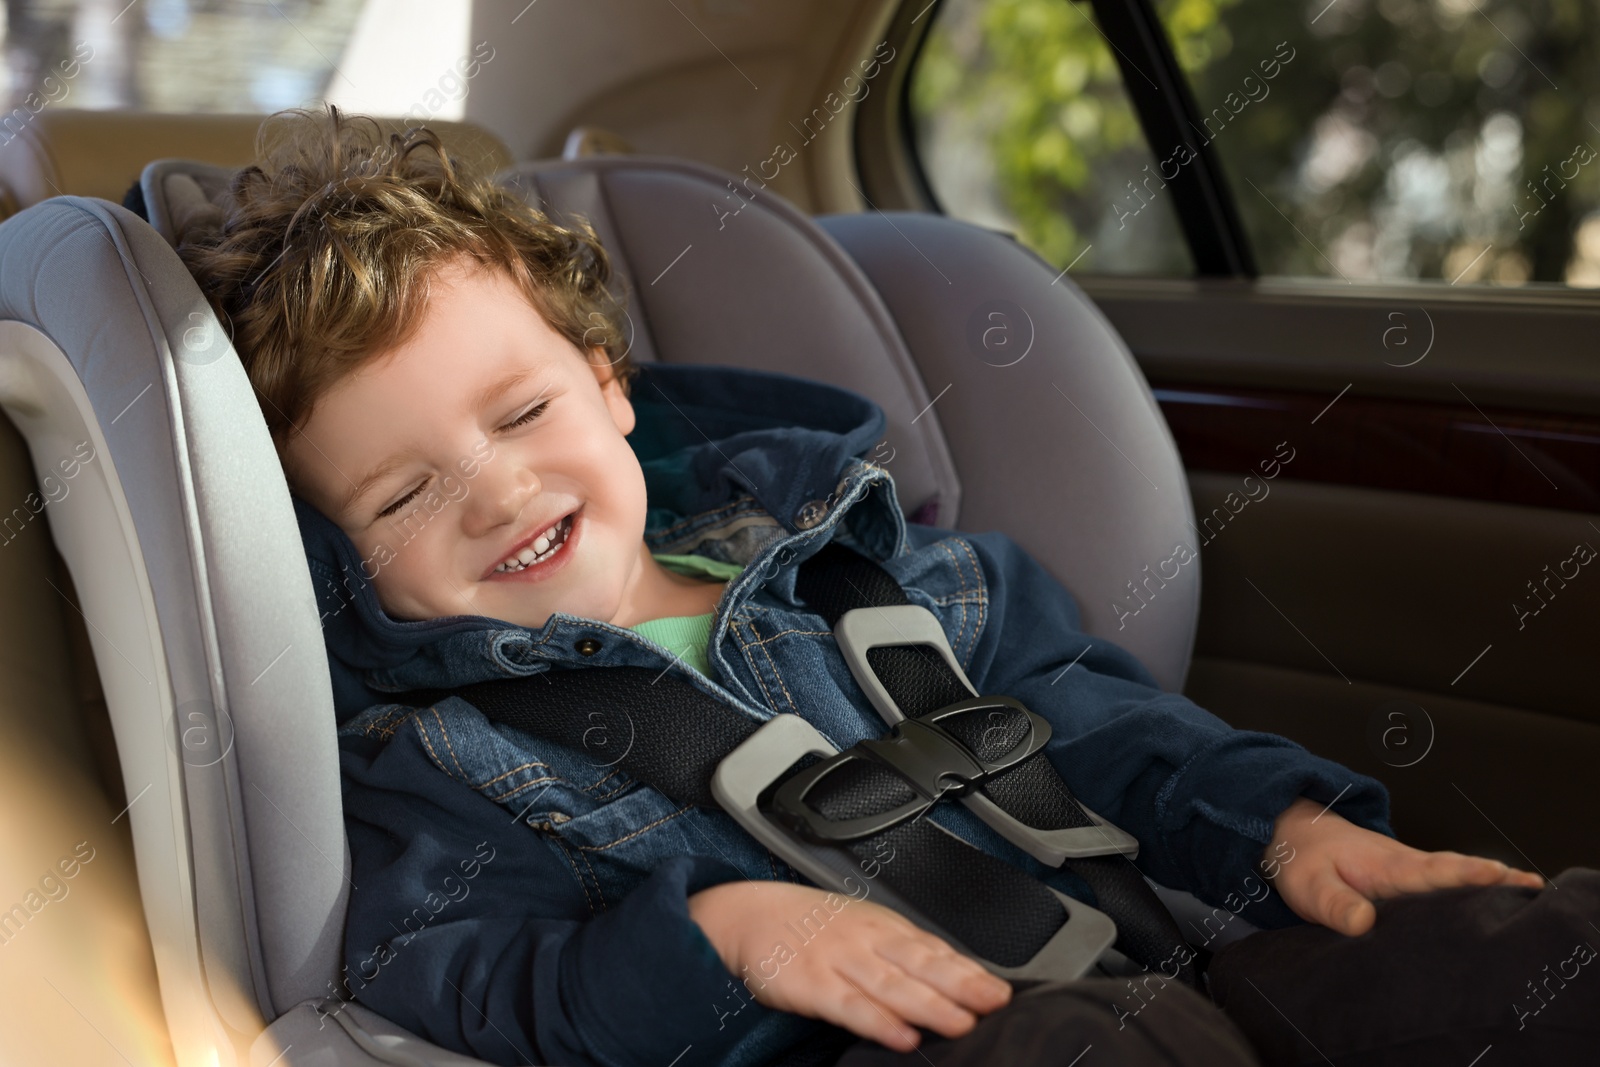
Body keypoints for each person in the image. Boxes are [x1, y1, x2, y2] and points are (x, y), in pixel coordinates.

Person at [172, 104, 1587, 1067]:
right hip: (929, 1049)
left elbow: (1101, 724)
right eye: (401, 493)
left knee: (1505, 951)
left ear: (610, 389)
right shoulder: (433, 758)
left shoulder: (861, 555)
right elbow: (482, 980)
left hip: (1182, 943)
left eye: (521, 412)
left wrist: (1277, 828)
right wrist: (715, 939)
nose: (491, 490)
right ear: (337, 556)